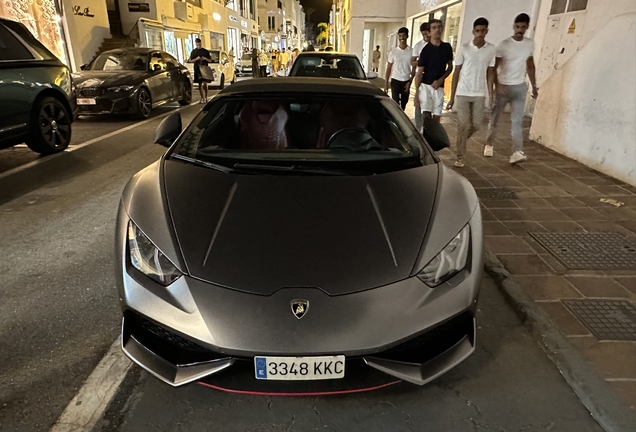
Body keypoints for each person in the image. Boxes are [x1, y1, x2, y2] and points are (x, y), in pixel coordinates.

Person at [487, 13, 538, 165]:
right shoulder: (504, 45)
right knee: (495, 118)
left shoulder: (530, 44)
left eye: (523, 27)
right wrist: (497, 85)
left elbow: (530, 65)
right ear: (513, 26)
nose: (520, 30)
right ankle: (489, 143)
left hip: (519, 87)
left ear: (527, 27)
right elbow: (494, 67)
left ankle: (516, 151)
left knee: (517, 121)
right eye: (517, 27)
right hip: (503, 86)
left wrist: (534, 85)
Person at [446, 17, 497, 168]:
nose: (480, 34)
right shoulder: (464, 48)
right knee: (463, 124)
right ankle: (460, 156)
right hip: (463, 92)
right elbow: (456, 72)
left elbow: (491, 72)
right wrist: (452, 96)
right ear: (473, 31)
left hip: (479, 93)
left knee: (476, 124)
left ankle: (460, 141)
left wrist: (491, 94)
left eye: (483, 31)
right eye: (477, 31)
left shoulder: (491, 49)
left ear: (487, 31)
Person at [414, 19, 453, 122]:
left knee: (436, 117)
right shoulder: (425, 50)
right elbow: (419, 73)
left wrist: (441, 80)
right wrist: (416, 93)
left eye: (439, 27)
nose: (437, 30)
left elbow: (450, 67)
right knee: (426, 116)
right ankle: (426, 136)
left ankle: (434, 136)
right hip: (426, 86)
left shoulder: (446, 47)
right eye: (434, 27)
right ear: (430, 32)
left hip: (439, 87)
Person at [384, 27, 414, 111]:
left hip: (406, 81)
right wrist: (386, 83)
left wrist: (410, 82)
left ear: (407, 36)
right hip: (395, 81)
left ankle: (402, 118)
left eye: (404, 36)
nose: (402, 38)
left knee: (404, 104)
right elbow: (389, 67)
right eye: (400, 36)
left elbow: (414, 68)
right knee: (395, 104)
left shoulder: (412, 51)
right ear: (398, 37)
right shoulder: (393, 52)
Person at [411, 22, 431, 131]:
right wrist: (422, 61)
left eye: (427, 34)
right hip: (420, 78)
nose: (425, 36)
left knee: (429, 107)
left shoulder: (436, 45)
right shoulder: (419, 46)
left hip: (432, 80)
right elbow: (412, 61)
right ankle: (418, 129)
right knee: (418, 104)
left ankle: (428, 130)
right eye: (423, 34)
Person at [188, 38, 212, 103]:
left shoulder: (205, 51)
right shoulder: (193, 51)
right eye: (197, 43)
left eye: (199, 43)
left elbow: (210, 60)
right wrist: (197, 59)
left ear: (201, 43)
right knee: (199, 83)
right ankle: (202, 97)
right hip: (197, 69)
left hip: (204, 68)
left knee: (205, 83)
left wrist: (205, 59)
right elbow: (191, 60)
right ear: (195, 43)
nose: (198, 44)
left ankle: (206, 97)